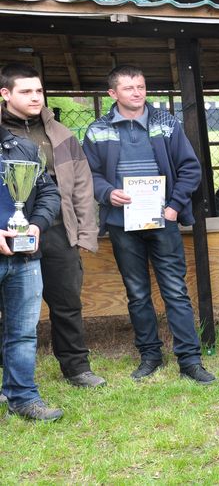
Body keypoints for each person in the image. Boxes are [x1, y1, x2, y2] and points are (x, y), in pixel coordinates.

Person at [82, 65, 214, 384]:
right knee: (137, 292)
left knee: (175, 290)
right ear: (113, 93)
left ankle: (190, 359)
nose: (137, 93)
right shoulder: (97, 130)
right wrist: (107, 192)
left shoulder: (166, 124)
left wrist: (173, 207)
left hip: (163, 220)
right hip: (120, 223)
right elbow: (88, 175)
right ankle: (150, 356)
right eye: (129, 88)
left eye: (141, 86)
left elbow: (190, 169)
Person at [0, 63, 105, 389]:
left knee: (67, 302)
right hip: (8, 233)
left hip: (57, 229)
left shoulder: (61, 133)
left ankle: (76, 368)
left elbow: (82, 185)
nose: (36, 98)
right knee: (9, 311)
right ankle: (11, 381)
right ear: (5, 94)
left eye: (39, 91)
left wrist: (86, 232)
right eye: (26, 91)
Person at [0, 119, 62, 420]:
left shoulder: (23, 147)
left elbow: (50, 194)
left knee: (23, 333)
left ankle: (22, 397)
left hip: (24, 257)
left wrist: (36, 224)